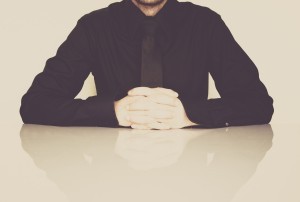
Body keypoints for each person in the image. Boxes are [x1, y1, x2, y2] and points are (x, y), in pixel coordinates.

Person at [20, 0, 274, 130]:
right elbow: (35, 105)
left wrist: (190, 114)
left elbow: (259, 105)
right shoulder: (93, 27)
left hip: (192, 180)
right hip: (108, 177)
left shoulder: (206, 24)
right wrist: (112, 111)